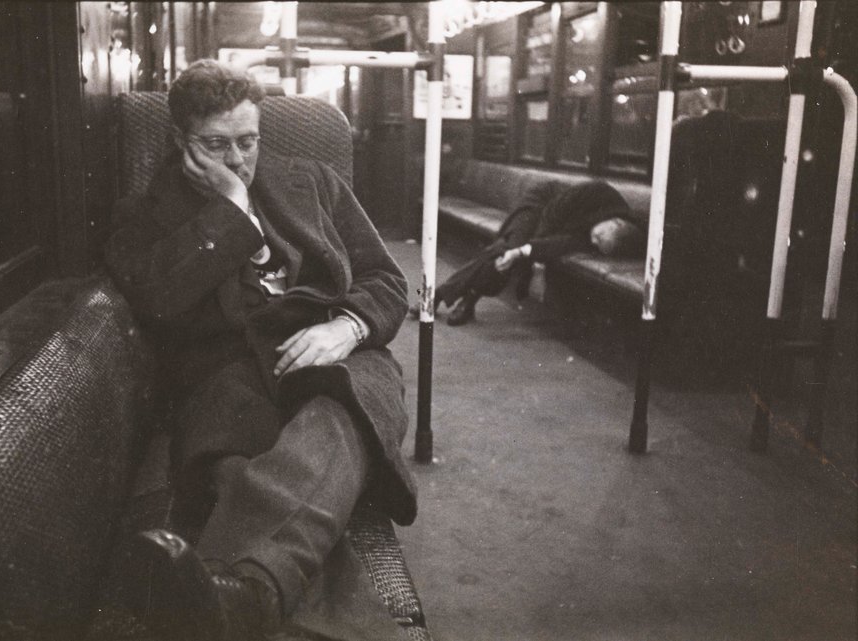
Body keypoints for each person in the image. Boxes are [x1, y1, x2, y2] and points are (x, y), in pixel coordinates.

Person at [104, 60, 415, 641]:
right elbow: (157, 299)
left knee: (336, 418)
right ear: (179, 140)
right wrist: (232, 210)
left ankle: (231, 589)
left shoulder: (314, 181)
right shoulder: (145, 215)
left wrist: (347, 327)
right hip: (229, 375)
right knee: (241, 469)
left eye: (248, 142)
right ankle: (250, 597)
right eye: (216, 145)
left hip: (337, 357)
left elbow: (386, 280)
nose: (238, 159)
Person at [411, 179, 642, 325]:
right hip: (542, 201)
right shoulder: (601, 192)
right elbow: (554, 211)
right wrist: (527, 254)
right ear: (615, 222)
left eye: (597, 244)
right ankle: (462, 299)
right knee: (511, 251)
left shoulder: (601, 236)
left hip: (551, 223)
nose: (593, 240)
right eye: (598, 236)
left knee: (504, 252)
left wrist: (525, 252)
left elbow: (565, 243)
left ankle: (449, 296)